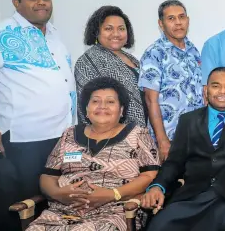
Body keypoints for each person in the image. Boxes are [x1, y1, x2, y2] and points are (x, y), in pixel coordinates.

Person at [142, 67, 225, 231]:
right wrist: (157, 186)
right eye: (216, 86)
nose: (222, 91)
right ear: (206, 90)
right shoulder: (188, 120)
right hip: (191, 199)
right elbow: (173, 163)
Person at [26, 77, 160, 231]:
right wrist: (57, 193)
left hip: (115, 212)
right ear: (86, 109)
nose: (102, 106)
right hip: (61, 212)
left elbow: (150, 176)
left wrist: (113, 194)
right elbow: (48, 176)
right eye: (95, 101)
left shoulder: (138, 135)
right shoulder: (69, 134)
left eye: (110, 102)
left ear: (121, 110)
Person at [0, 0, 76, 230]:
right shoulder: (1, 33)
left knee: (52, 204)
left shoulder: (54, 34)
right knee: (20, 205)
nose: (41, 2)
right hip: (24, 138)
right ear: (16, 3)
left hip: (61, 137)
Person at [139, 0, 203, 163]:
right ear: (161, 24)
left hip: (196, 138)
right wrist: (162, 141)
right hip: (169, 139)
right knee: (169, 186)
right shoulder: (154, 53)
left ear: (188, 20)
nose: (178, 22)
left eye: (181, 17)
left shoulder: (193, 51)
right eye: (171, 18)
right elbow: (150, 99)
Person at [75, 6, 145, 127]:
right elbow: (88, 107)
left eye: (121, 29)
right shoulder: (88, 61)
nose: (116, 34)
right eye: (108, 28)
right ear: (96, 32)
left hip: (143, 130)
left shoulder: (133, 59)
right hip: (112, 136)